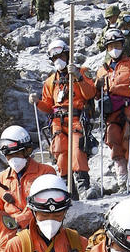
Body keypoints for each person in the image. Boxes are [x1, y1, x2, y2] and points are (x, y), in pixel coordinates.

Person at [30, 39, 98, 200]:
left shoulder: (81, 72)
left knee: (77, 150)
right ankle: (67, 191)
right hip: (57, 122)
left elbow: (90, 94)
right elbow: (48, 106)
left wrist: (78, 78)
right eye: (54, 57)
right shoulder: (50, 82)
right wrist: (37, 102)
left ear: (67, 54)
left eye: (60, 55)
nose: (58, 59)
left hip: (76, 118)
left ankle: (83, 187)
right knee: (61, 156)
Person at [95, 28, 130, 193]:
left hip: (129, 105)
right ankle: (121, 178)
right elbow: (96, 93)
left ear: (123, 45)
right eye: (110, 46)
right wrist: (97, 87)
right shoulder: (103, 70)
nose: (114, 49)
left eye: (117, 45)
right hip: (111, 109)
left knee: (129, 137)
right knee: (113, 140)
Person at [0, 125, 55, 228]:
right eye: (9, 156)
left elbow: (45, 206)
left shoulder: (45, 172)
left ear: (28, 151)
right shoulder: (1, 179)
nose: (13, 159)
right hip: (9, 230)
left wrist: (18, 221)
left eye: (17, 154)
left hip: (39, 228)